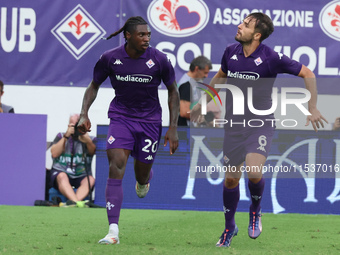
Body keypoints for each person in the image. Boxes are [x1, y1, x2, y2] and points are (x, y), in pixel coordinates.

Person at [191, 13, 328, 247]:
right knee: (231, 180)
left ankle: (255, 209)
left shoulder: (271, 57)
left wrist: (312, 107)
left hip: (260, 123)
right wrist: (203, 103)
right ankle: (229, 228)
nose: (239, 26)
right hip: (233, 125)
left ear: (257, 35)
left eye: (245, 25)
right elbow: (220, 76)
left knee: (253, 170)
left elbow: (308, 73)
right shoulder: (230, 52)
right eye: (242, 22)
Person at [77, 16, 179, 245]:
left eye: (148, 35)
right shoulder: (110, 58)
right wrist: (84, 113)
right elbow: (93, 85)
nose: (146, 38)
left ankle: (144, 180)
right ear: (128, 36)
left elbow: (173, 91)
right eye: (141, 35)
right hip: (120, 117)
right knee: (116, 163)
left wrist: (173, 128)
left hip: (150, 122)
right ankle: (113, 230)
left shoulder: (159, 59)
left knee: (141, 175)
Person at [49, 114, 96, 207]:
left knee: (90, 179)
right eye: (73, 125)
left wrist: (88, 141)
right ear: (68, 125)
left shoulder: (90, 139)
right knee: (62, 176)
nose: (76, 129)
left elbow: (92, 152)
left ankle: (74, 203)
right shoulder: (60, 136)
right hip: (62, 171)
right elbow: (54, 153)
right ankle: (76, 202)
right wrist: (66, 136)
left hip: (81, 174)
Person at [177, 56, 222, 127]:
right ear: (197, 69)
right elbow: (184, 112)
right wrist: (205, 119)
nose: (206, 76)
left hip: (189, 127)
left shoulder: (193, 84)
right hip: (183, 130)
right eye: (205, 72)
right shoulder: (186, 85)